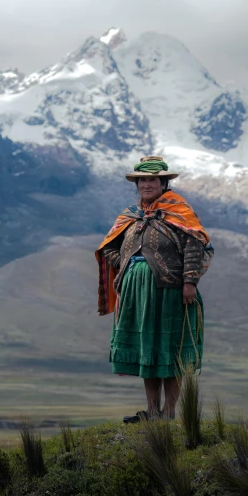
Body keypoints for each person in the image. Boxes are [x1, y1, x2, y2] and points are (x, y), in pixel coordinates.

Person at [95, 155, 213, 423]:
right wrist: (125, 267)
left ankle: (169, 414)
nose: (146, 184)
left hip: (170, 290)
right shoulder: (131, 217)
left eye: (152, 180)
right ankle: (151, 411)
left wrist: (189, 282)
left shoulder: (180, 213)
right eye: (142, 180)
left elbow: (195, 246)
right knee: (147, 348)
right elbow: (108, 248)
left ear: (163, 182)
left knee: (170, 348)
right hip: (136, 293)